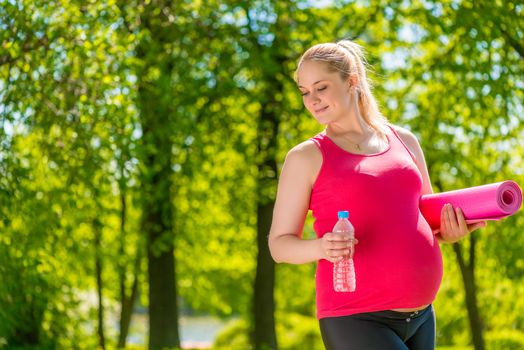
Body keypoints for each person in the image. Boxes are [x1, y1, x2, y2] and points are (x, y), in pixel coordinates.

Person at [267, 40, 487, 350]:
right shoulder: (306, 157)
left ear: (352, 80)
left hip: (423, 314)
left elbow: (427, 219)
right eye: (305, 91)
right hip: (355, 317)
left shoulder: (405, 140)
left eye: (321, 88)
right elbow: (279, 245)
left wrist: (451, 231)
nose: (312, 100)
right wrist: (321, 247)